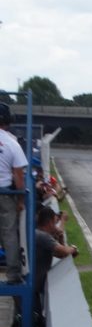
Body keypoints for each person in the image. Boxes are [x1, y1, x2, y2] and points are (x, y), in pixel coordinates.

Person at [0, 103, 27, 285]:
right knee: (9, 234)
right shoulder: (11, 142)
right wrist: (20, 199)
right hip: (5, 193)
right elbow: (19, 175)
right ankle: (13, 274)